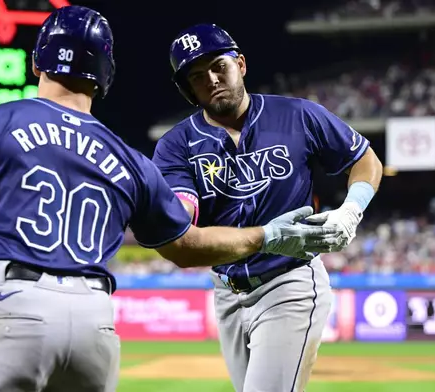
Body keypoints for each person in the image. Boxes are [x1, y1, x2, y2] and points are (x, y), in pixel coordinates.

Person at [0, 8, 339, 392]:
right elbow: (187, 245)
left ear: (36, 61)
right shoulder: (129, 158)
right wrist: (270, 234)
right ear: (105, 76)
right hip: (95, 327)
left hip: (8, 305)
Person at [153, 23, 384, 392]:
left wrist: (351, 209)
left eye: (219, 66)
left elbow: (365, 159)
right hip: (227, 292)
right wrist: (168, 217)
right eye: (197, 76)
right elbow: (183, 217)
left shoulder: (299, 115)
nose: (211, 79)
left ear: (240, 64)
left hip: (289, 281)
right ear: (187, 90)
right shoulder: (176, 146)